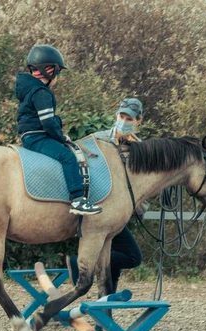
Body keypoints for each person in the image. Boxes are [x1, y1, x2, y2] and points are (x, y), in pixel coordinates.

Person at [66, 98, 146, 292]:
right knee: (132, 256)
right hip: (101, 209)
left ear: (139, 121)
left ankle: (105, 305)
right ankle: (79, 264)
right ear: (116, 116)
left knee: (115, 263)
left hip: (122, 212)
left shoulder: (142, 150)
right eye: (121, 116)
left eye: (129, 118)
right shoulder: (98, 140)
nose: (124, 121)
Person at [15, 45, 102, 216]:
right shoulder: (41, 92)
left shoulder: (29, 90)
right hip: (38, 137)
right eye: (57, 71)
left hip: (30, 135)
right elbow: (48, 122)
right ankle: (78, 200)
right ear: (49, 71)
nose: (58, 77)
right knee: (67, 157)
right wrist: (61, 137)